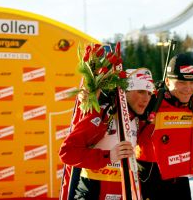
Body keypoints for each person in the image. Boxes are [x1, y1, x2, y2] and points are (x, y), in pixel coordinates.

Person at [59, 68, 155, 200]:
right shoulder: (104, 114)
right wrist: (108, 156)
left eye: (150, 94)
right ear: (124, 92)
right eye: (141, 92)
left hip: (121, 192)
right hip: (92, 191)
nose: (146, 99)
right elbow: (67, 153)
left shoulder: (138, 120)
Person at [136, 53, 193, 200]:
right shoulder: (151, 101)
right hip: (151, 174)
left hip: (179, 176)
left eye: (192, 83)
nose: (188, 88)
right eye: (181, 82)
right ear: (167, 81)